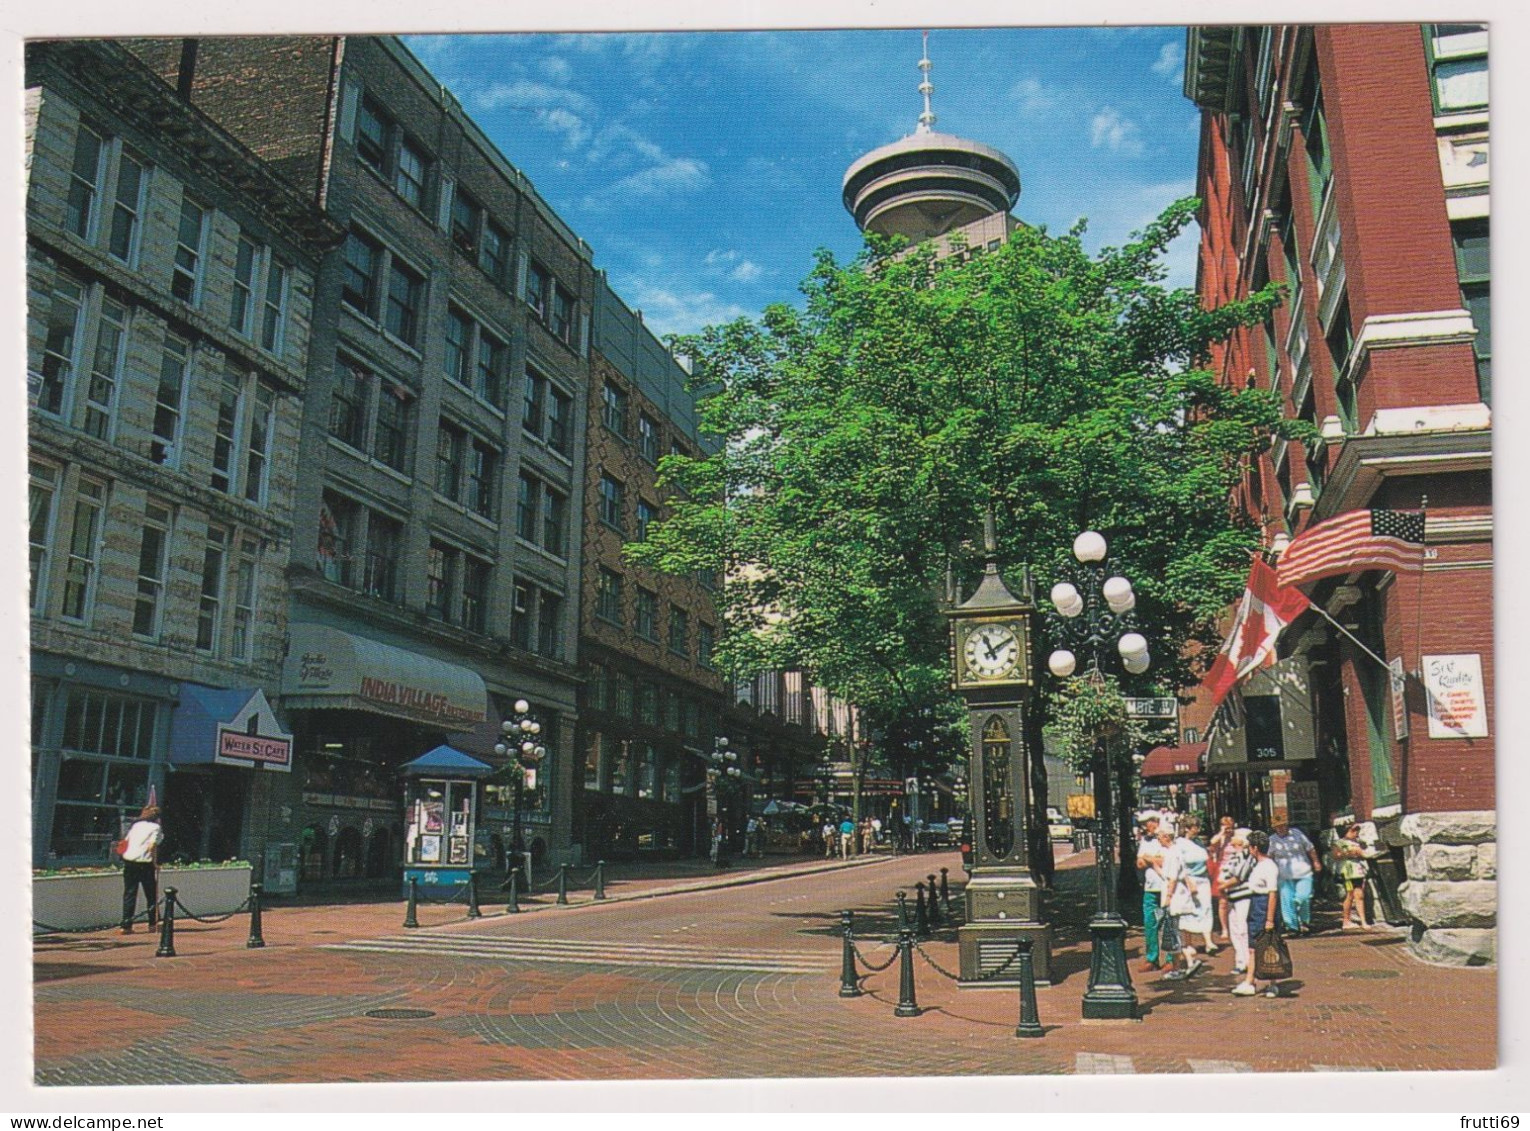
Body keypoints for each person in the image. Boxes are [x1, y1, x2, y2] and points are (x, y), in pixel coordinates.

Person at [1162, 815, 1215, 979]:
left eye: (1159, 837)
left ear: (1165, 837)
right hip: (1183, 892)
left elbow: (1173, 877)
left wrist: (1168, 898)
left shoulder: (1173, 852)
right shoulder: (1178, 849)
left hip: (1177, 895)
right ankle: (1189, 961)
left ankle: (1183, 964)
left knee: (1174, 930)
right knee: (1178, 928)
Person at [1233, 830, 1284, 997]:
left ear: (1255, 848)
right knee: (1255, 945)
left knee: (1266, 944)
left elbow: (1273, 893)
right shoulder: (1257, 864)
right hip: (1256, 904)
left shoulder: (1269, 867)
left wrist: (1269, 919)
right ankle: (1253, 980)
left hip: (1263, 905)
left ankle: (1261, 982)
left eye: (1250, 847)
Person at [1269, 813, 1322, 933]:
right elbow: (1270, 857)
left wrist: (1316, 862)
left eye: (1283, 826)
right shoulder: (1272, 840)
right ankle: (1291, 926)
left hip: (1303, 872)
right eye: (1278, 827)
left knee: (1304, 897)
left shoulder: (1297, 834)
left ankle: (1304, 921)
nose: (1281, 828)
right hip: (1284, 875)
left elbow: (1310, 848)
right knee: (1286, 900)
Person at [120, 805, 163, 934]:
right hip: (144, 863)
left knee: (129, 893)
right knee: (150, 894)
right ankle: (152, 924)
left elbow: (126, 841)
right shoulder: (155, 827)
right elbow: (152, 846)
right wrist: (155, 863)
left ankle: (126, 925)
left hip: (129, 861)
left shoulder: (135, 826)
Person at [1220, 828, 1256, 977]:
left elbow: (1239, 876)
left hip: (1244, 896)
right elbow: (1224, 873)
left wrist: (1222, 885)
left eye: (1235, 837)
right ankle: (1240, 961)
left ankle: (1248, 961)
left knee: (1243, 929)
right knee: (1235, 930)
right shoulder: (1234, 857)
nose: (1232, 839)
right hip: (1233, 897)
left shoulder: (1247, 857)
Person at [1135, 814, 1167, 972]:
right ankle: (1152, 958)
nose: (1146, 827)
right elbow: (1139, 863)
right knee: (1150, 923)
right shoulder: (1145, 840)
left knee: (1168, 923)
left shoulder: (1167, 838)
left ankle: (1170, 959)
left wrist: (1149, 859)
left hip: (1166, 887)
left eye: (1146, 823)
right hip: (1150, 887)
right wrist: (1154, 859)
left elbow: (1168, 860)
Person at [1334, 823, 1374, 929]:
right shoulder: (1339, 843)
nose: (1355, 833)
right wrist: (1348, 853)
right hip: (1346, 872)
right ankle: (1346, 920)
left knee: (1359, 895)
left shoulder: (1357, 843)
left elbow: (1364, 854)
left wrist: (1361, 853)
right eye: (1353, 831)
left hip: (1357, 871)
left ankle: (1363, 921)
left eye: (1357, 831)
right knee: (1349, 895)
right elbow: (1336, 855)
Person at [1208, 814, 1237, 942]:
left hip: (1237, 870)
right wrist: (1222, 833)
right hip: (1223, 870)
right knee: (1223, 902)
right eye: (1225, 827)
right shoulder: (1220, 839)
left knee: (1236, 900)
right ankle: (1225, 928)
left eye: (1230, 827)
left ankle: (1236, 926)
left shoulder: (1238, 837)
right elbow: (1212, 843)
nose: (1228, 830)